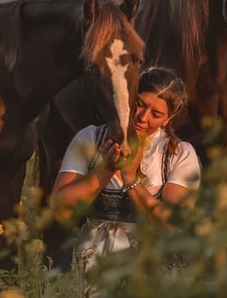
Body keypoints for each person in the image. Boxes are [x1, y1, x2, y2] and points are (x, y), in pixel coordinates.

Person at [50, 66, 201, 275]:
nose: (143, 117)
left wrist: (131, 179)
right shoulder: (90, 138)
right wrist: (106, 171)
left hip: (152, 265)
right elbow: (59, 206)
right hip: (94, 261)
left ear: (168, 119)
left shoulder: (179, 154)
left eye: (156, 114)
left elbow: (174, 223)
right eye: (139, 104)